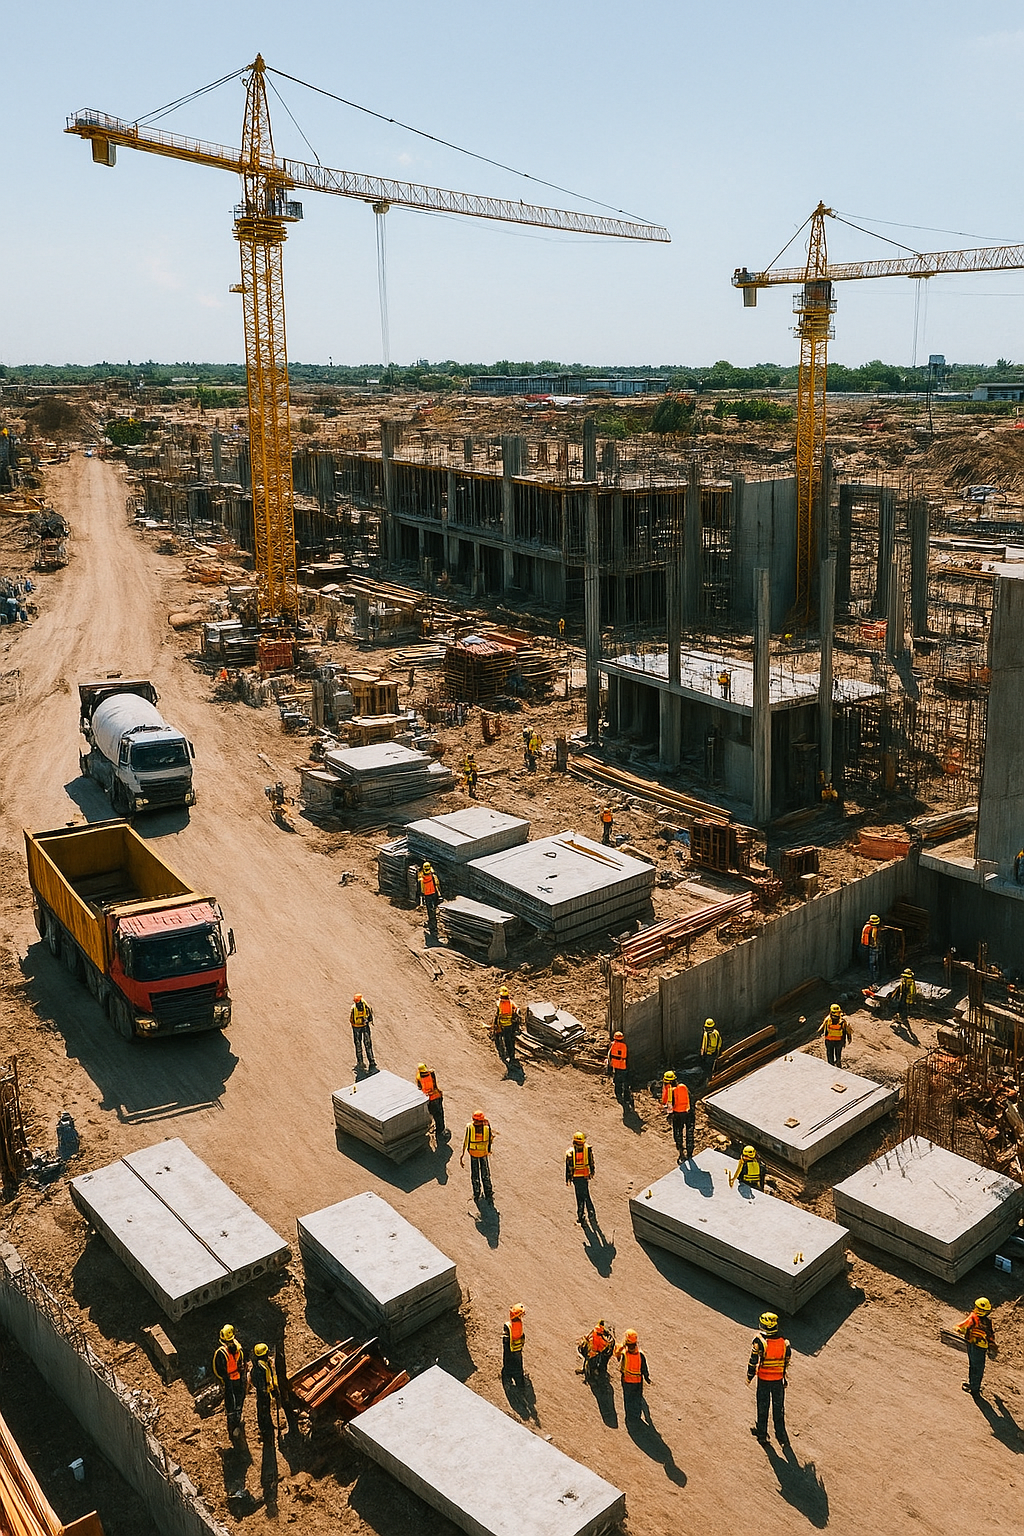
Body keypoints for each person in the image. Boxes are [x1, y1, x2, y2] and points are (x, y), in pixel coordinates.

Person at [747, 1311, 791, 1446]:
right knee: (778, 1408)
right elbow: (786, 1361)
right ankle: (782, 1436)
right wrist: (784, 1377)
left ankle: (762, 1434)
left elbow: (753, 1361)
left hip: (764, 1380)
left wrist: (749, 1376)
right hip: (778, 1380)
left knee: (763, 1406)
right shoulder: (785, 1343)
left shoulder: (759, 1342)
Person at [212, 1324, 246, 1436]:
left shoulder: (221, 1353)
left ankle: (232, 1426)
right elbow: (242, 1364)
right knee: (238, 1401)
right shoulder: (239, 1349)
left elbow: (218, 1369)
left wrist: (222, 1380)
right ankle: (237, 1420)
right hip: (239, 1379)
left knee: (231, 1403)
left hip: (229, 1381)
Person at [957, 1297, 994, 1398]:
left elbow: (962, 1328)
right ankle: (975, 1387)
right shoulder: (987, 1322)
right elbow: (990, 1336)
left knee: (973, 1366)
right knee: (978, 1368)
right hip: (981, 1348)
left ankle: (973, 1387)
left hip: (972, 1345)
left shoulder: (973, 1318)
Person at [460, 1110, 496, 1203]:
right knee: (485, 1174)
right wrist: (488, 1151)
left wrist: (462, 1155)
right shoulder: (486, 1127)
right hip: (483, 1153)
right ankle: (488, 1193)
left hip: (473, 1153)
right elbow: (489, 1140)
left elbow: (466, 1141)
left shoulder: (469, 1127)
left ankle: (476, 1193)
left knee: (475, 1174)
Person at [615, 1330, 650, 1422]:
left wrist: (621, 1345)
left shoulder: (624, 1352)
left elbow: (617, 1355)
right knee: (637, 1398)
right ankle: (637, 1416)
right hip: (638, 1381)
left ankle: (629, 1417)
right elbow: (644, 1367)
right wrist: (647, 1377)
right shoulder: (640, 1354)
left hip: (626, 1381)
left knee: (628, 1399)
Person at [661, 1070, 695, 1162]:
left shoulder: (670, 1091)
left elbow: (668, 1106)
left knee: (678, 1132)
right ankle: (690, 1153)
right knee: (690, 1132)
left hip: (677, 1114)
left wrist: (668, 1114)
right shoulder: (684, 1087)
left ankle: (681, 1153)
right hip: (688, 1112)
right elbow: (691, 1099)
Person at [565, 1131, 597, 1226]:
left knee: (580, 1197)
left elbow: (568, 1167)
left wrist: (568, 1179)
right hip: (584, 1176)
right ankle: (591, 1212)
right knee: (586, 1193)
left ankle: (581, 1217)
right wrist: (592, 1171)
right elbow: (591, 1161)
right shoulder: (587, 1149)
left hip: (576, 1177)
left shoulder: (570, 1153)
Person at [249, 1342, 278, 1441]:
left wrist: (273, 1389)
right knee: (262, 1411)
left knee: (267, 1410)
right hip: (263, 1394)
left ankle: (268, 1425)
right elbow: (260, 1384)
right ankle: (264, 1431)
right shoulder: (259, 1369)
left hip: (267, 1391)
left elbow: (269, 1377)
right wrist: (265, 1392)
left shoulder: (265, 1364)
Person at [416, 1062, 448, 1142]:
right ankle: (440, 1131)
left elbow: (420, 1088)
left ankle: (437, 1129)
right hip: (436, 1096)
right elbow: (435, 1085)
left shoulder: (419, 1077)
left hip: (429, 1099)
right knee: (440, 1114)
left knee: (433, 1114)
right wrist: (439, 1092)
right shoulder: (431, 1073)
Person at [578, 1320, 615, 1384]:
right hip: (594, 1353)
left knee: (590, 1363)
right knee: (592, 1363)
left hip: (593, 1353)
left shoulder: (596, 1333)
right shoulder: (602, 1338)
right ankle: (592, 1373)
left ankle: (589, 1373)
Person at [493, 987, 519, 1068]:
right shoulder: (511, 1003)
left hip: (503, 1025)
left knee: (506, 1041)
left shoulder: (500, 1004)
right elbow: (517, 1009)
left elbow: (497, 1015)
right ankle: (511, 1055)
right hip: (510, 1025)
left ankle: (509, 1056)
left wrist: (496, 1024)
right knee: (510, 1041)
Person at [350, 993, 377, 1073]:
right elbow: (352, 1020)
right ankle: (360, 1061)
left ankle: (371, 1061)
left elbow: (370, 1015)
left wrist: (367, 1021)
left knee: (367, 1043)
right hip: (356, 1027)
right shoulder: (353, 1009)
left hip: (364, 1027)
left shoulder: (366, 1006)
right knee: (358, 1045)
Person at [502, 1305, 526, 1388]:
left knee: (512, 1364)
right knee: (515, 1365)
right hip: (514, 1349)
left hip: (513, 1348)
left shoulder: (510, 1325)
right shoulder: (510, 1325)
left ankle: (509, 1376)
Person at [418, 861, 442, 939]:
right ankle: (433, 924)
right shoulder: (433, 876)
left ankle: (433, 926)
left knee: (430, 911)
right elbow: (437, 884)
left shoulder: (422, 878)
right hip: (434, 894)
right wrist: (439, 895)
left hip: (427, 895)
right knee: (433, 909)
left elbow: (421, 888)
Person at [607, 1030, 630, 1105]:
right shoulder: (624, 1046)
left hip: (614, 1064)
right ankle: (624, 1095)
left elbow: (609, 1054)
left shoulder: (612, 1044)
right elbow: (625, 1056)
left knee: (617, 1080)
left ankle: (618, 1093)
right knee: (623, 1081)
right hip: (622, 1065)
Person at [861, 913, 884, 983]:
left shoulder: (869, 928)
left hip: (873, 947)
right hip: (875, 947)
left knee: (872, 963)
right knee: (875, 963)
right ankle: (876, 977)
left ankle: (873, 978)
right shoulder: (874, 928)